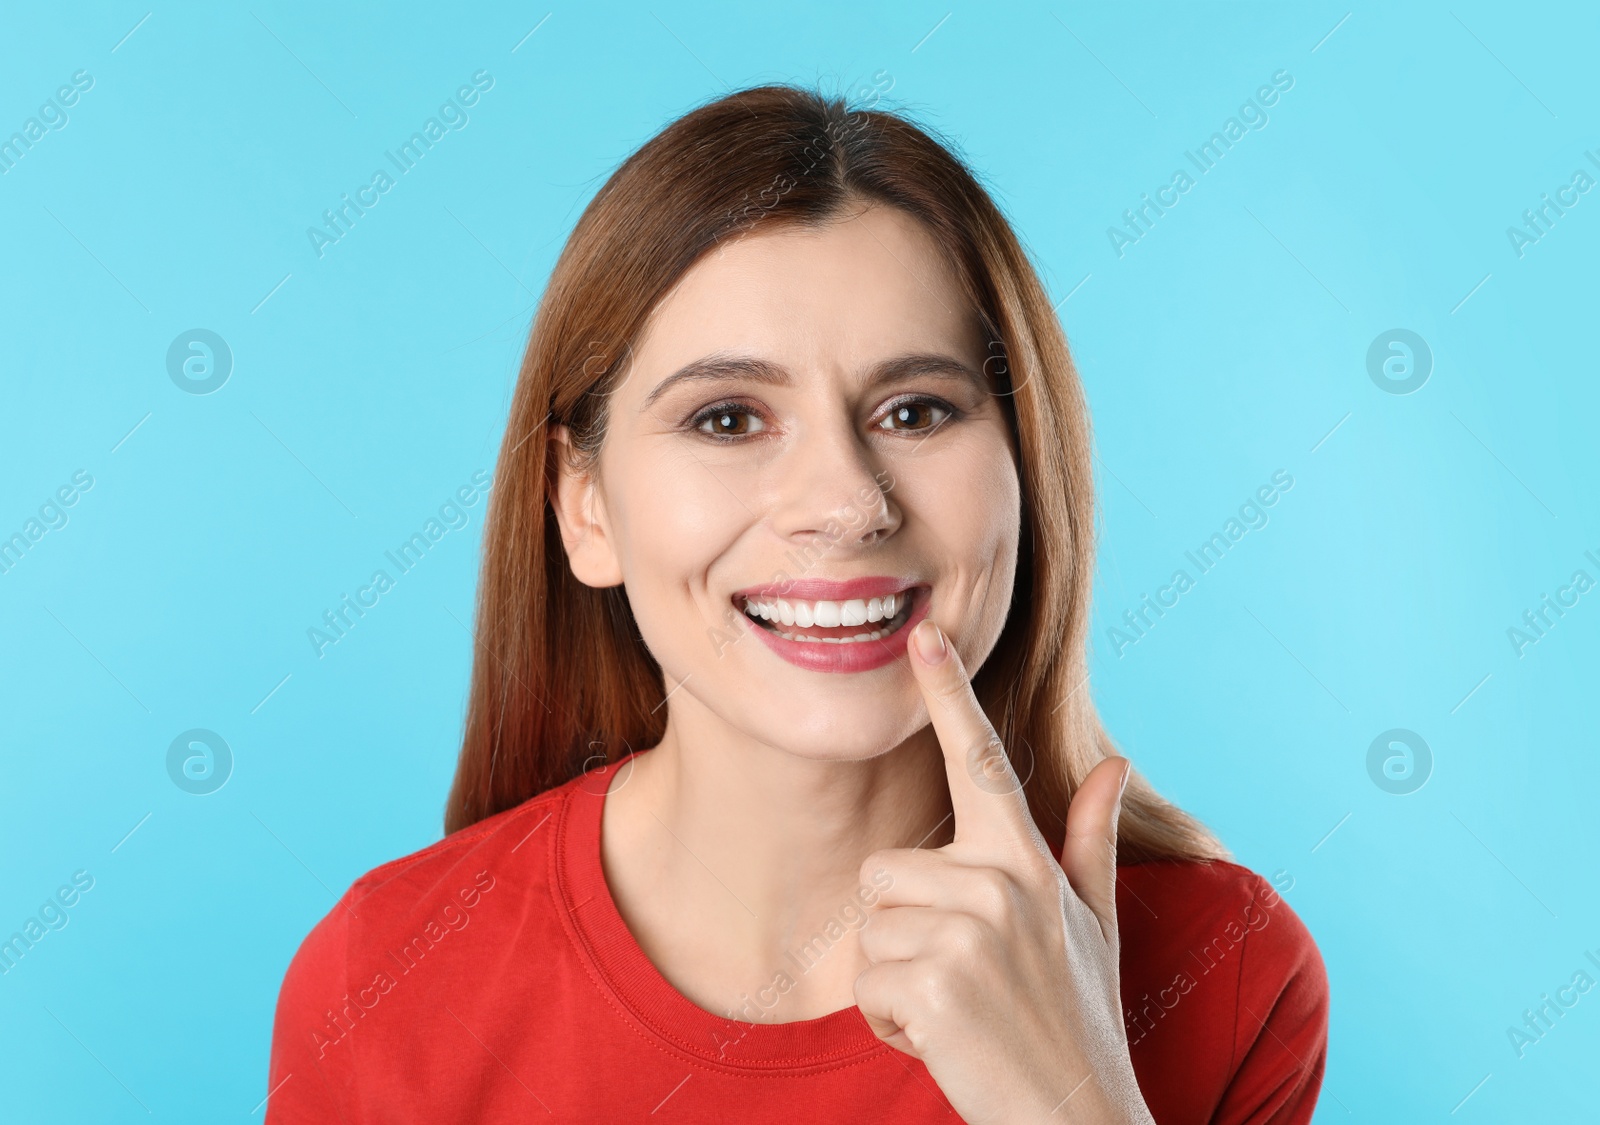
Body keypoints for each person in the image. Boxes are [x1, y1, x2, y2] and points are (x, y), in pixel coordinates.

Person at [265, 83, 1328, 1124]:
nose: (846, 503)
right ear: (583, 506)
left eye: (915, 410)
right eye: (728, 419)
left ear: (1026, 467)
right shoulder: (383, 976)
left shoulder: (1219, 972)